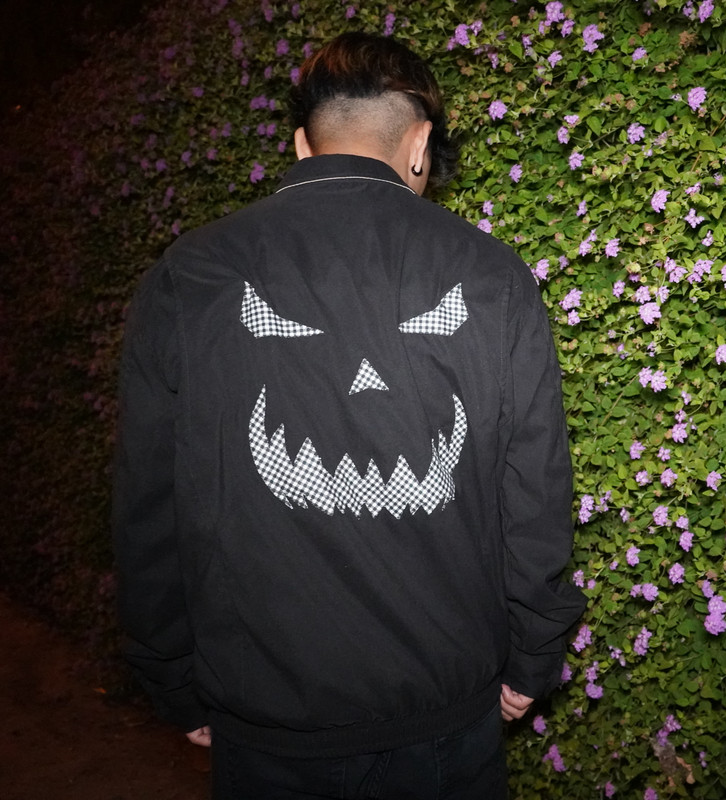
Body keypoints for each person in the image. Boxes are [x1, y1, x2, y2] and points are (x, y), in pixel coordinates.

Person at [112, 31, 585, 799]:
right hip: (445, 722)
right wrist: (534, 651)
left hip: (266, 725)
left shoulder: (191, 277)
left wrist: (170, 673)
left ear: (302, 144)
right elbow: (533, 492)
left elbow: (149, 503)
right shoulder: (491, 276)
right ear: (419, 144)